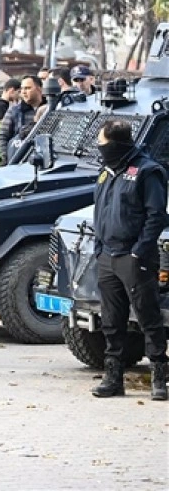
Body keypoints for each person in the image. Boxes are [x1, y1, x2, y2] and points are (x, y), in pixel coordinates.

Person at [90, 119, 169, 400]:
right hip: (107, 256)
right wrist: (99, 246)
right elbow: (100, 210)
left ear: (114, 144)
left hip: (134, 258)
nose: (98, 147)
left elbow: (156, 215)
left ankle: (159, 378)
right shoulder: (106, 171)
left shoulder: (148, 171)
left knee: (148, 316)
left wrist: (139, 251)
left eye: (101, 142)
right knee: (112, 320)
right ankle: (114, 378)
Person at [0, 75, 42, 163]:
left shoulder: (50, 109)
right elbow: (2, 136)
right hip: (18, 163)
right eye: (22, 89)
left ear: (39, 89)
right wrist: (6, 158)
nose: (24, 92)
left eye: (28, 88)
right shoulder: (14, 111)